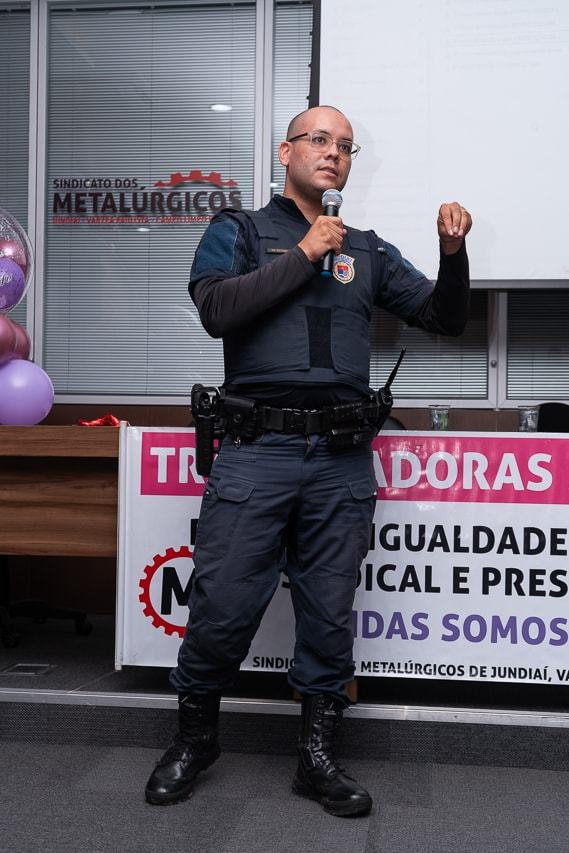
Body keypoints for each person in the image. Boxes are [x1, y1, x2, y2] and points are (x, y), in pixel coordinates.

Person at [145, 104, 472, 816]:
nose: (333, 154)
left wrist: (453, 256)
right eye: (319, 140)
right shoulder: (238, 230)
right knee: (222, 605)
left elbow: (444, 318)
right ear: (285, 151)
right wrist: (302, 253)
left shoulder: (368, 250)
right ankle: (195, 741)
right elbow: (216, 311)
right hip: (255, 453)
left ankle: (316, 759)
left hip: (340, 460)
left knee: (328, 613)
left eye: (345, 146)